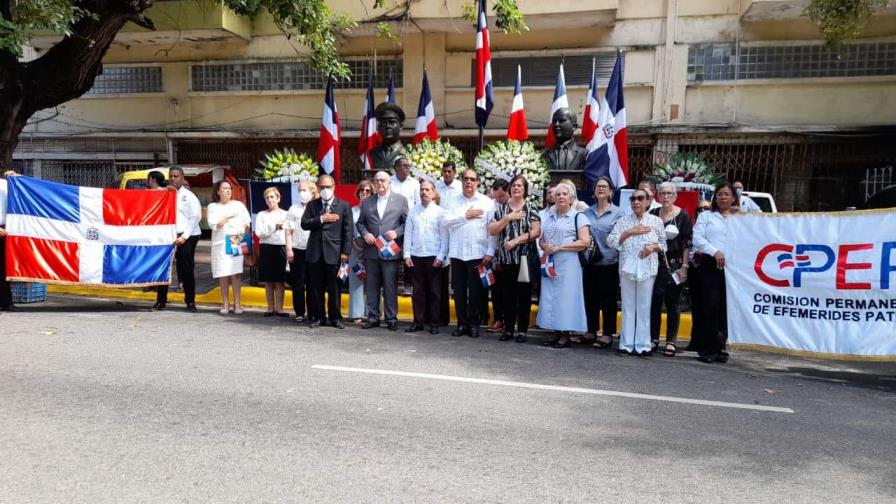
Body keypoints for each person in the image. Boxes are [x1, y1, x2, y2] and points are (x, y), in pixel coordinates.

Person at [608, 188, 667, 357]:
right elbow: (611, 240)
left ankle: (643, 345)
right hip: (627, 268)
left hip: (647, 269)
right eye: (633, 199)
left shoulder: (656, 221)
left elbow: (664, 245)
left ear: (648, 201)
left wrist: (653, 247)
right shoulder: (623, 221)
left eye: (640, 198)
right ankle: (626, 344)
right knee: (628, 306)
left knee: (644, 306)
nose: (636, 202)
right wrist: (629, 232)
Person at [537, 182, 591, 348]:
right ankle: (555, 331)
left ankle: (565, 334)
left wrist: (561, 247)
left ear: (571, 198)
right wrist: (545, 245)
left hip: (569, 264)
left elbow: (585, 242)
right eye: (558, 194)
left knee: (566, 298)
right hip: (550, 262)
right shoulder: (549, 217)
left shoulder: (578, 217)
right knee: (550, 297)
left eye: (564, 194)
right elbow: (541, 239)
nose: (561, 197)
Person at [488, 175, 541, 343]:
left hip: (524, 259)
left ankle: (522, 330)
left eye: (520, 186)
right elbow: (492, 230)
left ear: (525, 189)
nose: (516, 188)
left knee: (524, 295)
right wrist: (507, 218)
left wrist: (516, 241)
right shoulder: (502, 209)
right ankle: (509, 329)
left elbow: (536, 232)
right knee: (508, 295)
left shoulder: (531, 207)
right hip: (507, 260)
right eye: (514, 185)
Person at [444, 169, 496, 339]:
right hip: (458, 253)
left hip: (477, 253)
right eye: (465, 179)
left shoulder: (487, 202)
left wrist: (490, 251)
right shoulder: (452, 201)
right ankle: (462, 323)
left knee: (476, 291)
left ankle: (474, 324)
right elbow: (445, 222)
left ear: (478, 182)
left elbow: (492, 230)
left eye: (472, 179)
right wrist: (465, 216)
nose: (468, 182)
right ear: (461, 180)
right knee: (458, 291)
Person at [692, 182, 740, 363]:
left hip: (733, 269)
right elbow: (697, 238)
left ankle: (721, 347)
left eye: (727, 194)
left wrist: (743, 215)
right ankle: (707, 349)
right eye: (719, 194)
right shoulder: (706, 216)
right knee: (709, 306)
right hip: (710, 265)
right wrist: (715, 252)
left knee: (726, 308)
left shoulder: (740, 217)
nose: (723, 198)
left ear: (734, 197)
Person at [356, 171, 408, 331]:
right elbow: (360, 223)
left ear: (389, 182)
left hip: (390, 251)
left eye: (383, 180)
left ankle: (391, 318)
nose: (380, 183)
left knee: (390, 286)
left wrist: (397, 233)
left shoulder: (400, 200)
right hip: (371, 251)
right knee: (371, 286)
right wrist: (365, 234)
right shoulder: (367, 202)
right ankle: (373, 317)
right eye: (377, 180)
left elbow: (408, 224)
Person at [301, 174, 353, 329]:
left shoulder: (343, 206)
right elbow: (304, 224)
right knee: (316, 287)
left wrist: (345, 252)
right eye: (322, 187)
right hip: (315, 253)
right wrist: (322, 219)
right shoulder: (312, 205)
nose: (325, 190)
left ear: (334, 187)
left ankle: (335, 318)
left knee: (334, 288)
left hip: (335, 253)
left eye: (328, 187)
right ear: (317, 188)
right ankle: (319, 317)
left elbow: (348, 231)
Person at [649, 182, 693, 357]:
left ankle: (671, 341)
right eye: (662, 193)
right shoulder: (652, 214)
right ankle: (653, 339)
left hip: (675, 266)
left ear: (675, 196)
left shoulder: (683, 216)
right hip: (654, 264)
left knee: (673, 304)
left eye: (669, 193)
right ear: (658, 196)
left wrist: (684, 267)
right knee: (654, 303)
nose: (666, 196)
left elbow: (687, 244)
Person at [581, 176, 623, 349]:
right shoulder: (586, 212)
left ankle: (606, 334)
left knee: (608, 300)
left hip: (609, 263)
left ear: (611, 191)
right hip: (590, 262)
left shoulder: (619, 213)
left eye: (605, 186)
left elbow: (621, 239)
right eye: (598, 186)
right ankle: (591, 331)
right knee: (590, 298)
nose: (601, 189)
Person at [404, 180, 449, 334]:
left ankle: (434, 323)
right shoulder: (413, 211)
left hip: (433, 256)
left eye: (427, 189)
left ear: (433, 192)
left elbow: (444, 237)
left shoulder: (440, 212)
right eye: (422, 189)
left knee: (435, 292)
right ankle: (418, 322)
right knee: (418, 291)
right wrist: (406, 254)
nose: (424, 192)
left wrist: (441, 256)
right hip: (416, 255)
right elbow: (408, 233)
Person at [154, 166, 202, 312]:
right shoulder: (165, 193)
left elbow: (195, 218)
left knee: (186, 269)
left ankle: (190, 301)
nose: (173, 179)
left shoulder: (189, 196)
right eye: (171, 176)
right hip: (168, 235)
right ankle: (161, 301)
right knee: (163, 268)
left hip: (187, 236)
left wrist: (184, 237)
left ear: (182, 178)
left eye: (176, 176)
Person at [207, 180, 251, 315]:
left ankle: (237, 303)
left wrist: (244, 239)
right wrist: (225, 218)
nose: (228, 191)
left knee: (236, 273)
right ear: (218, 191)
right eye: (224, 188)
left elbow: (247, 223)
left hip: (236, 239)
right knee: (223, 273)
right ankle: (225, 302)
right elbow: (212, 224)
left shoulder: (238, 205)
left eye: (229, 188)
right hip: (220, 241)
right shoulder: (213, 206)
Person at [255, 187, 290, 317]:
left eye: (272, 197)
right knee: (269, 281)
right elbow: (260, 233)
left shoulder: (286, 214)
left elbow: (289, 232)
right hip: (267, 248)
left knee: (280, 280)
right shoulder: (261, 215)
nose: (270, 200)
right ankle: (270, 308)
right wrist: (274, 226)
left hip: (281, 247)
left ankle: (280, 308)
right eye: (267, 198)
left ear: (278, 198)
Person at [435, 161, 461, 326]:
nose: (447, 174)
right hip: (440, 231)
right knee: (442, 278)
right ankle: (441, 316)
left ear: (454, 172)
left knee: (457, 278)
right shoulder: (436, 186)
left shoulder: (459, 187)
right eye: (444, 171)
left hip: (457, 230)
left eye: (450, 171)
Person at [284, 180, 314, 323]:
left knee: (313, 283)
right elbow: (288, 231)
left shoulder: (316, 207)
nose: (302, 193)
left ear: (312, 191)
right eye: (300, 190)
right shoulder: (293, 209)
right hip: (297, 249)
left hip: (314, 250)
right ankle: (300, 312)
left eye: (304, 190)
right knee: (298, 283)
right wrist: (289, 249)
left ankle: (313, 312)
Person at [685, 199, 712, 352]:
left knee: (708, 306)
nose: (703, 211)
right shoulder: (694, 226)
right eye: (700, 209)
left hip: (709, 268)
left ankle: (706, 342)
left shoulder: (714, 226)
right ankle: (695, 340)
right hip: (694, 269)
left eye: (706, 208)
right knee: (696, 306)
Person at [484, 178, 510, 332]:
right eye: (497, 196)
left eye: (503, 196)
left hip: (510, 253)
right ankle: (498, 318)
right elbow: (489, 232)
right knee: (495, 288)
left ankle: (509, 319)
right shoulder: (490, 208)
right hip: (493, 254)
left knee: (510, 289)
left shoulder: (512, 206)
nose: (500, 199)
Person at [348, 181, 374, 324]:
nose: (364, 192)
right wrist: (354, 245)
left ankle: (371, 312)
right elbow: (347, 230)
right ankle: (357, 313)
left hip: (371, 251)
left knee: (372, 281)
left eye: (368, 190)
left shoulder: (375, 210)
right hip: (354, 250)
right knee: (356, 280)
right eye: (362, 190)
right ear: (358, 192)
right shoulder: (352, 211)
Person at [369, 102, 406, 172]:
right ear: (378, 127)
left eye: (392, 122)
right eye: (383, 123)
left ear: (401, 126)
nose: (387, 126)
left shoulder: (407, 152)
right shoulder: (373, 152)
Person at [0, 170, 17, 312]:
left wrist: (18, 178)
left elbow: (29, 191)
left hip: (7, 229)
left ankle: (6, 302)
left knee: (4, 268)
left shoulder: (6, 184)